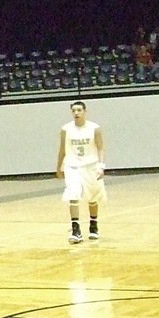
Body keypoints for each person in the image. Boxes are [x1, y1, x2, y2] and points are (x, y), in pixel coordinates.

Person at [56, 100, 106, 244]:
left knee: (93, 197)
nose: (76, 113)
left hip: (91, 165)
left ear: (85, 111)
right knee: (73, 194)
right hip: (72, 166)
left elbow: (101, 147)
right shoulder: (66, 129)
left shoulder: (94, 128)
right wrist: (59, 167)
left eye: (79, 110)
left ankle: (93, 225)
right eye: (74, 110)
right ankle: (75, 229)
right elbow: (62, 150)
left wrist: (101, 165)